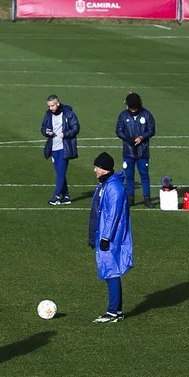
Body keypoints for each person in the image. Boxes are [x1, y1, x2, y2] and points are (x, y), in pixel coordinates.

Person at [89, 152, 132, 323]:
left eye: (97, 167)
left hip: (111, 236)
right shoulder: (106, 184)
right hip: (104, 234)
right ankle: (116, 311)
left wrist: (106, 237)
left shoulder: (114, 188)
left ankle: (113, 311)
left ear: (105, 169)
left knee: (111, 271)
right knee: (109, 271)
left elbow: (113, 215)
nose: (95, 170)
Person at [116, 92, 156, 208]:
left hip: (142, 151)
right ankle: (130, 198)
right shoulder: (123, 116)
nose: (133, 111)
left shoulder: (146, 114)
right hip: (128, 151)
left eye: (135, 109)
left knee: (144, 175)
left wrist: (142, 137)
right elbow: (118, 130)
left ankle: (147, 198)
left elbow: (152, 129)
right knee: (129, 175)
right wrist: (128, 139)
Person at [41, 94, 80, 206]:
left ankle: (56, 196)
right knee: (59, 172)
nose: (50, 108)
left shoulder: (68, 113)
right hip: (53, 148)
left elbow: (76, 127)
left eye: (52, 106)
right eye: (49, 106)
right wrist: (46, 132)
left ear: (57, 104)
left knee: (60, 173)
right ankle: (66, 196)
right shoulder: (48, 114)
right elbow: (43, 127)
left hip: (64, 147)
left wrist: (66, 133)